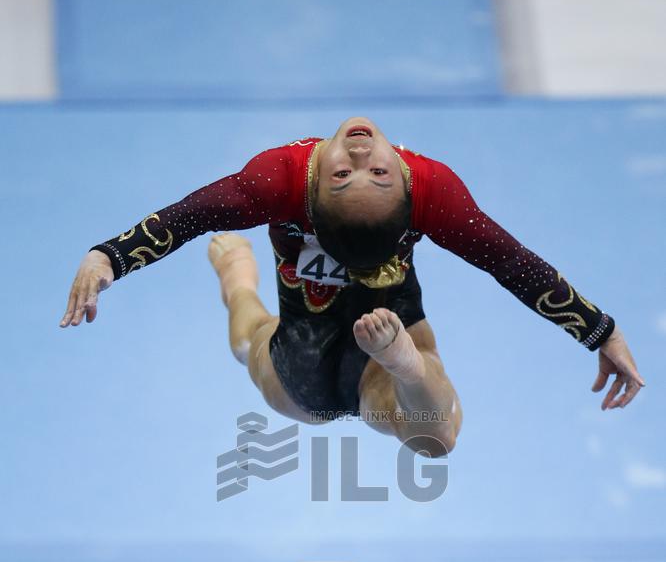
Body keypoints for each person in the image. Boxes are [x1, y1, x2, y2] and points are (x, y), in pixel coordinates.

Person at [60, 116, 645, 456]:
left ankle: (404, 369)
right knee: (250, 334)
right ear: (313, 194)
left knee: (433, 440)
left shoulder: (434, 193)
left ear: (407, 197)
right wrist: (110, 255)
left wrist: (600, 329)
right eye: (346, 174)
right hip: (303, 355)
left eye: (372, 171)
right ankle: (242, 284)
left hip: (385, 334)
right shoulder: (279, 180)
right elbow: (195, 214)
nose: (362, 152)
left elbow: (511, 263)